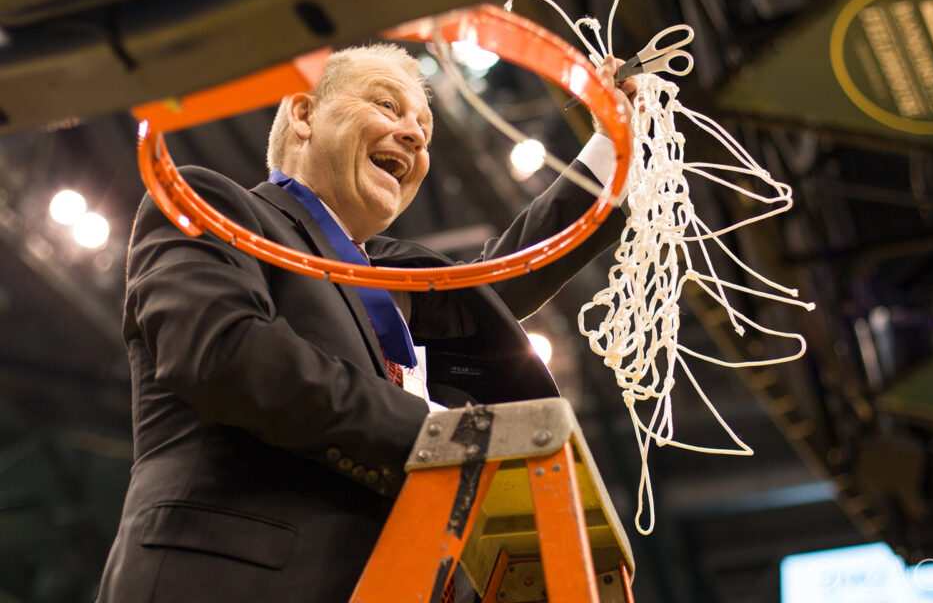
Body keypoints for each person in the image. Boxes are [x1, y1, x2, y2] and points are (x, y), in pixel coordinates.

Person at [97, 44, 632, 602]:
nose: (416, 135)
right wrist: (431, 431)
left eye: (423, 125)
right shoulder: (209, 203)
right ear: (303, 115)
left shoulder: (392, 282)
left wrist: (612, 148)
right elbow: (222, 351)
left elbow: (502, 280)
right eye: (386, 105)